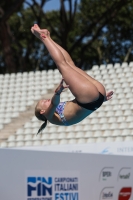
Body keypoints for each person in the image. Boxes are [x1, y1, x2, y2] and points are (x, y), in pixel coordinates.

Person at [31, 24, 113, 134]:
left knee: (69, 65)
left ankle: (48, 37)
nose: (46, 100)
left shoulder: (56, 111)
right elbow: (54, 103)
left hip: (95, 98)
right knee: (62, 65)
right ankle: (43, 37)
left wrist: (101, 98)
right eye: (43, 103)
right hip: (89, 99)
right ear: (42, 111)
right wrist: (57, 93)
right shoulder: (50, 117)